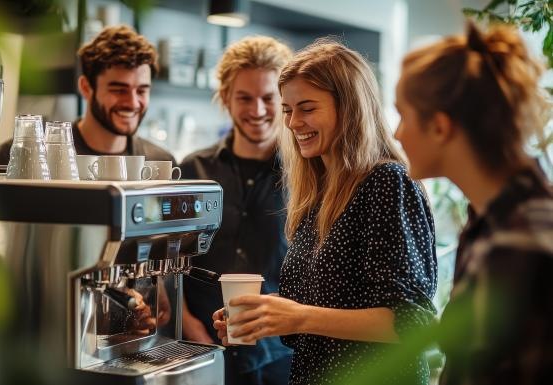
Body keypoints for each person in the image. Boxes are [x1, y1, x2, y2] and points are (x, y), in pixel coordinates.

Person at [212, 38, 439, 385]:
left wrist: (299, 317)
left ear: (349, 108)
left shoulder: (385, 181)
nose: (291, 123)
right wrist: (266, 316)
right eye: (287, 110)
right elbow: (324, 304)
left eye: (306, 108)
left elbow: (412, 323)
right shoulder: (319, 191)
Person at [394, 23, 553, 385]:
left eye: (403, 115)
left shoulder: (518, 246)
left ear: (440, 127)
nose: (397, 134)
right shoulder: (490, 221)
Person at [180, 36, 294, 385]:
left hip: (281, 355)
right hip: (198, 348)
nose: (257, 110)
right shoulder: (193, 170)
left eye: (268, 98)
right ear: (225, 97)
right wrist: (190, 326)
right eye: (244, 97)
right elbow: (170, 261)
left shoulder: (306, 176)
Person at [0, 25, 175, 165]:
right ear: (86, 88)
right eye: (118, 90)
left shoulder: (160, 162)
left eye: (142, 90)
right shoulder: (24, 152)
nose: (133, 102)